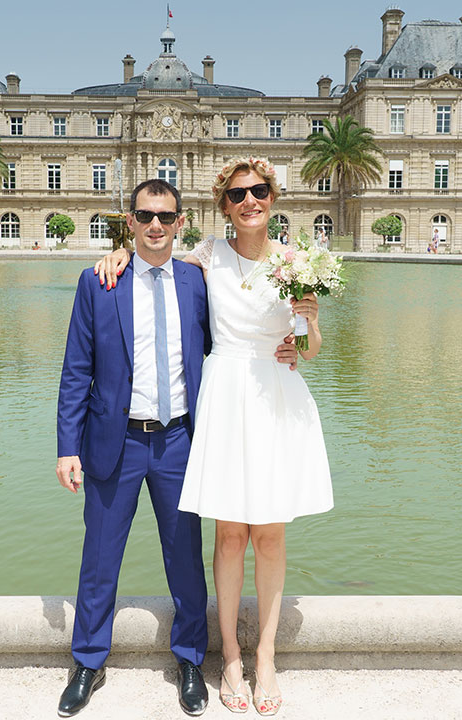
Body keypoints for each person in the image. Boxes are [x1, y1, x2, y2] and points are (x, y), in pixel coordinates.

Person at [96, 158, 332, 716]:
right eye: (237, 194)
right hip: (226, 397)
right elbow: (157, 261)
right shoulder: (206, 258)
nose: (249, 201)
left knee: (269, 536)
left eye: (258, 192)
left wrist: (310, 325)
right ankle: (229, 658)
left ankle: (266, 657)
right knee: (229, 536)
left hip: (276, 396)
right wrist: (121, 252)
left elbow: (310, 348)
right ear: (223, 205)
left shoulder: (299, 263)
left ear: (272, 197)